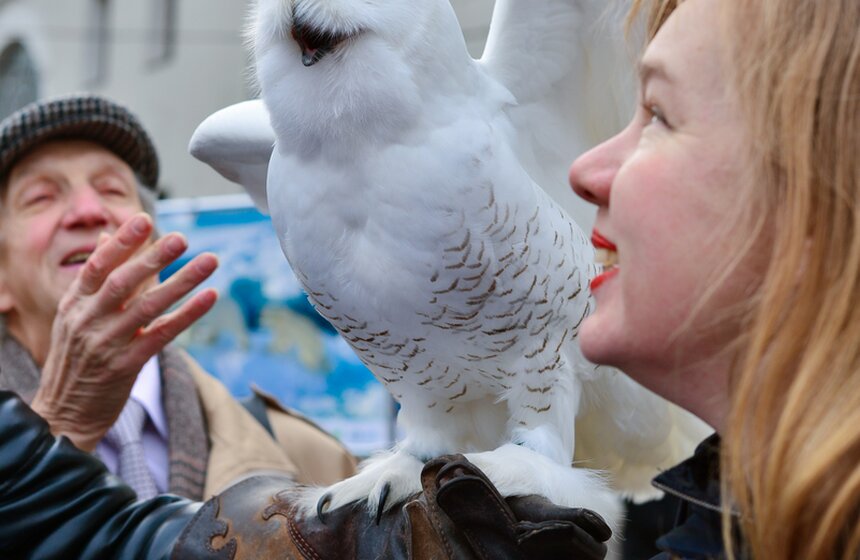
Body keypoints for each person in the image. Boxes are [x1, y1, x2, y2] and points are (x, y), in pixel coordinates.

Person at [2, 0, 860, 557]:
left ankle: (531, 440)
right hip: (440, 439)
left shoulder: (494, 112)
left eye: (659, 118)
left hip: (563, 404)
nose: (601, 169)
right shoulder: (277, 157)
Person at [0, 93, 356, 501]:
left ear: (152, 249)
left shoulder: (313, 463)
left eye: (112, 189)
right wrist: (61, 428)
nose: (88, 211)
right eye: (41, 197)